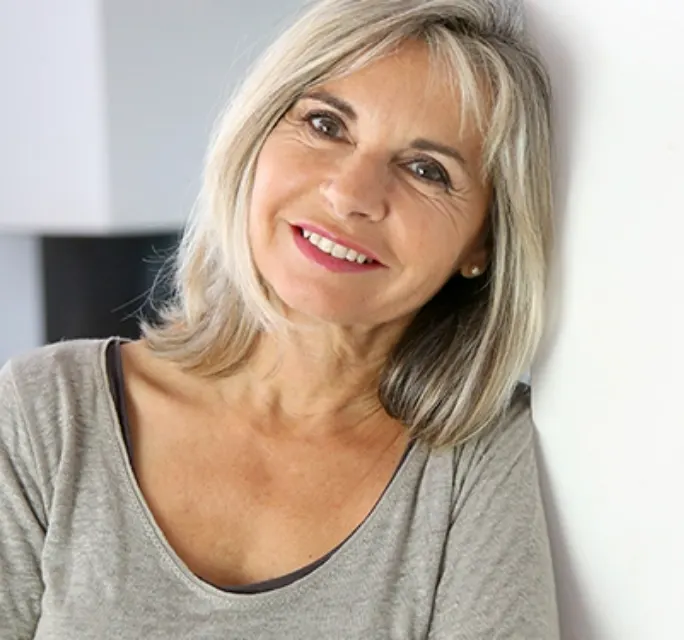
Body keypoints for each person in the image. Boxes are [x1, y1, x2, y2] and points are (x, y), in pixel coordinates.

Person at [0, 0, 559, 637]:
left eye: (426, 170)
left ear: (482, 244)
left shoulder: (477, 461)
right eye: (325, 125)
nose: (351, 194)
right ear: (256, 137)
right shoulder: (47, 413)